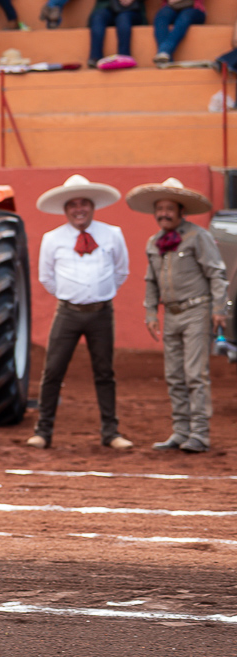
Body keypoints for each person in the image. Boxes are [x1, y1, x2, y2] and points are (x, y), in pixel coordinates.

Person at [28, 174, 133, 450]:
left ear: (92, 206)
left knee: (104, 372)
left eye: (83, 203)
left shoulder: (112, 234)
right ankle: (43, 431)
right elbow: (46, 277)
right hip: (68, 313)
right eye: (73, 205)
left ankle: (111, 432)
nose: (79, 209)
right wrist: (73, 295)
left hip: (101, 313)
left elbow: (121, 271)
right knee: (53, 371)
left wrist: (99, 293)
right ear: (65, 209)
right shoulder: (53, 239)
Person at [127, 178, 227, 452]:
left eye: (169, 208)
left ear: (181, 211)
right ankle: (181, 432)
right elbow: (151, 280)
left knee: (195, 374)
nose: (164, 214)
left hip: (197, 310)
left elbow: (216, 273)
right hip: (171, 314)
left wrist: (219, 309)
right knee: (173, 375)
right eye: (160, 209)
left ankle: (200, 434)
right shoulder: (154, 242)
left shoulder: (197, 236)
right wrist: (150, 312)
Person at [87, 0, 149, 67]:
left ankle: (124, 57)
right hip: (108, 8)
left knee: (123, 18)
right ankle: (95, 57)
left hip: (130, 10)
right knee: (98, 17)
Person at [153, 0, 210, 66]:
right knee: (161, 16)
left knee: (185, 16)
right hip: (172, 7)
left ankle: (164, 51)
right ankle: (165, 57)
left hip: (194, 8)